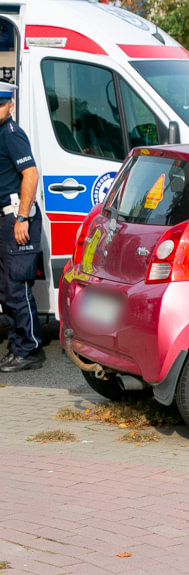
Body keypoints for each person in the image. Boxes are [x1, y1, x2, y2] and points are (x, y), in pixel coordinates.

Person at [0, 81, 44, 372]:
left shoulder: (12, 135)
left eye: (1, 103)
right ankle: (18, 345)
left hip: (16, 218)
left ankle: (29, 350)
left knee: (17, 287)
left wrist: (22, 218)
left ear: (11, 105)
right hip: (5, 219)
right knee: (6, 290)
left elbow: (30, 174)